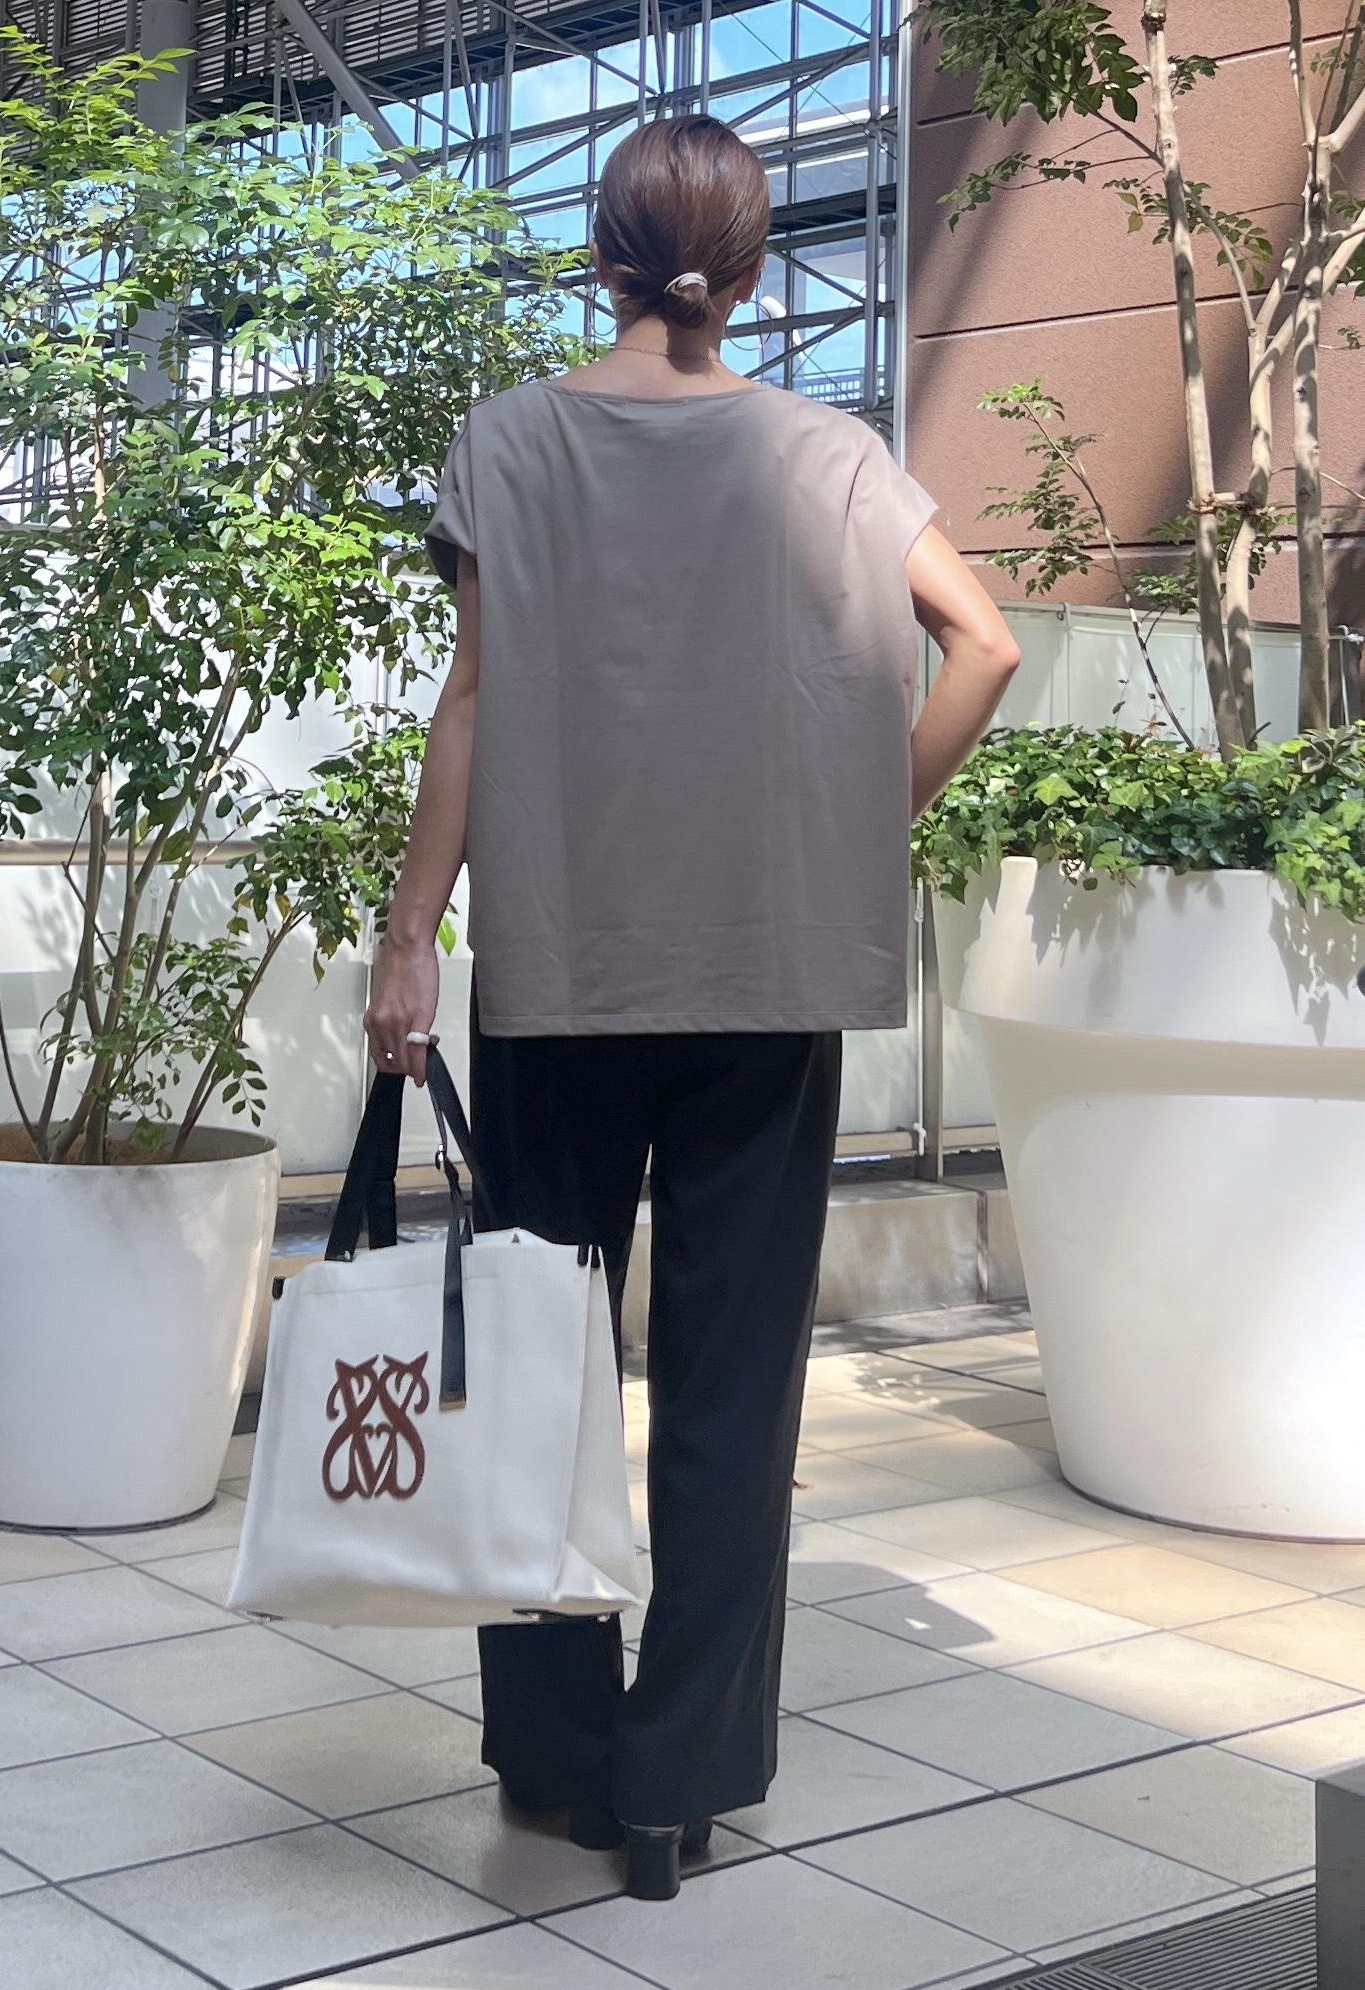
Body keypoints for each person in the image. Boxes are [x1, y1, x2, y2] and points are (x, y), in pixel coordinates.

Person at [364, 113, 1020, 1901]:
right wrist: (860, 820)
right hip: (762, 982)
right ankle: (679, 1787)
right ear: (749, 275)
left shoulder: (507, 441)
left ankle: (557, 1761)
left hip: (559, 979)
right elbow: (986, 644)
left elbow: (471, 701)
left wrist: (410, 935)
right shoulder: (834, 457)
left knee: (544, 1375)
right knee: (734, 1387)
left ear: (601, 257)